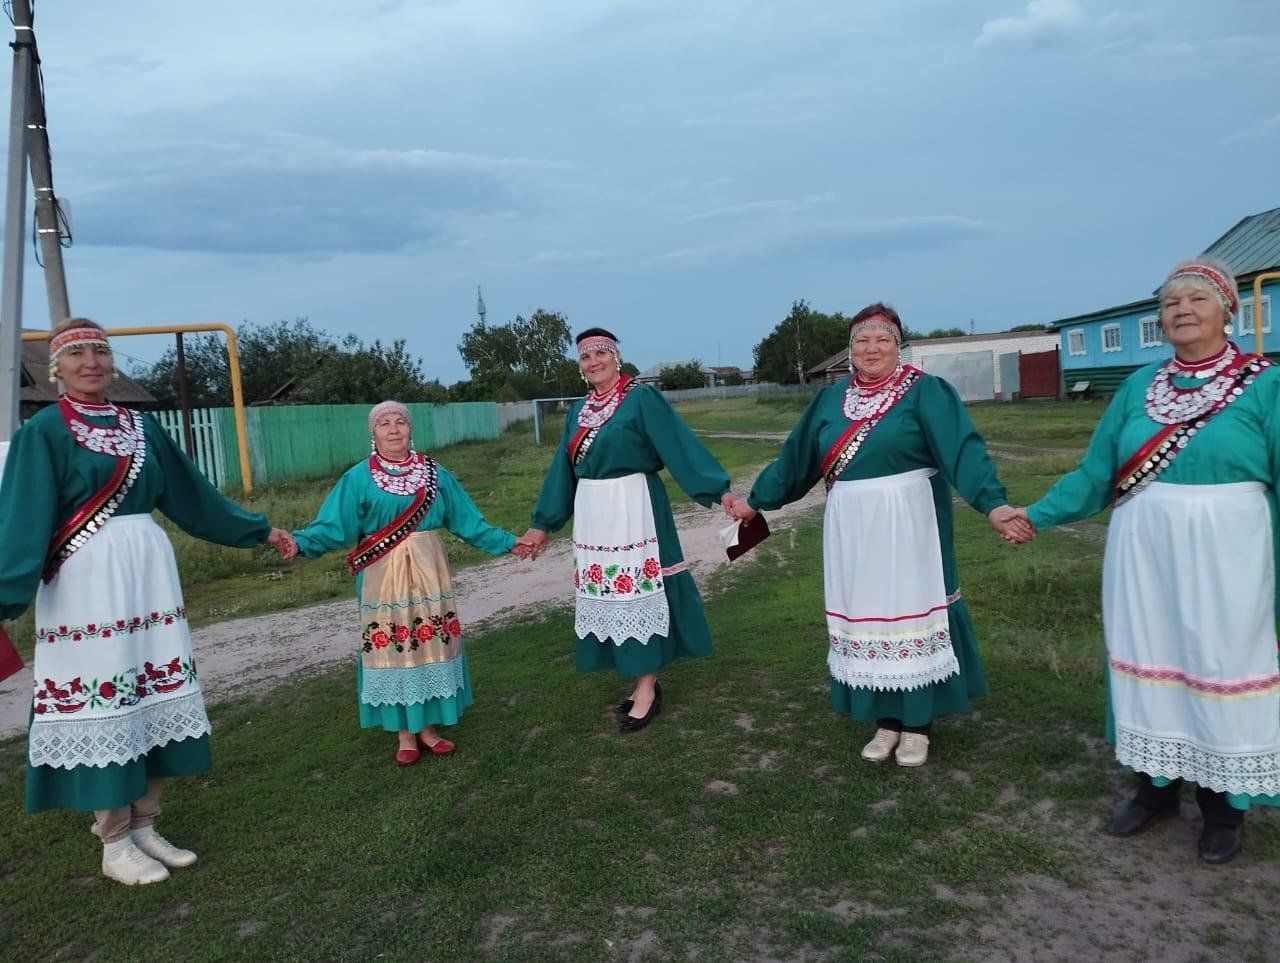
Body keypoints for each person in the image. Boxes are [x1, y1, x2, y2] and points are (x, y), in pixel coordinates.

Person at [0, 318, 297, 886]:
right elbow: (22, 519)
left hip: (148, 575)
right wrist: (5, 590)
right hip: (84, 584)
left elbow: (191, 495)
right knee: (107, 696)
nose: (92, 362)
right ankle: (113, 838)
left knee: (153, 695)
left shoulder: (142, 426)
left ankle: (145, 823)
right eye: (78, 354)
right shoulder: (44, 433)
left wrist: (256, 530)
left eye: (101, 353)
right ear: (56, 368)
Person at [1015, 257, 1279, 864]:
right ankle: (1154, 789)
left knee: (1217, 661)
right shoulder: (1139, 386)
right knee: (1153, 654)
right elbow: (1097, 471)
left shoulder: (1265, 384)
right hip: (1144, 548)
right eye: (1169, 303)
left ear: (1228, 311)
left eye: (1197, 300)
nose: (1182, 311)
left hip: (1230, 552)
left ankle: (1223, 808)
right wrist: (1036, 514)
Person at [727, 303, 1029, 766]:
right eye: (861, 341)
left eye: (882, 339)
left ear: (898, 346)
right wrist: (756, 500)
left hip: (911, 523)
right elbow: (796, 460)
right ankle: (885, 720)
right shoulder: (830, 401)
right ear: (850, 350)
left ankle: (917, 726)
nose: (871, 348)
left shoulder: (927, 393)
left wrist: (992, 503)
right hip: (852, 526)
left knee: (909, 612)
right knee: (868, 614)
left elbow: (963, 451)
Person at [518, 328, 745, 732]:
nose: (594, 362)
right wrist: (543, 523)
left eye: (601, 354)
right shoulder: (579, 410)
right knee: (611, 593)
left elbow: (678, 445)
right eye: (586, 357)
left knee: (641, 592)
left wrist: (718, 490)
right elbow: (563, 471)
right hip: (593, 513)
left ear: (616, 357)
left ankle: (646, 687)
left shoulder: (641, 398)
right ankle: (640, 678)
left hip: (634, 505)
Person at [292, 401, 520, 766]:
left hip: (431, 571)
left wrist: (508, 542)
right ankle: (404, 734)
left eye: (401, 421)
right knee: (394, 645)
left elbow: (467, 519)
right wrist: (300, 543)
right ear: (374, 432)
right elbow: (333, 525)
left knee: (431, 642)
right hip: (382, 577)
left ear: (410, 429)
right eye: (385, 423)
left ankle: (429, 728)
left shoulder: (434, 473)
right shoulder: (358, 478)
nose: (394, 428)